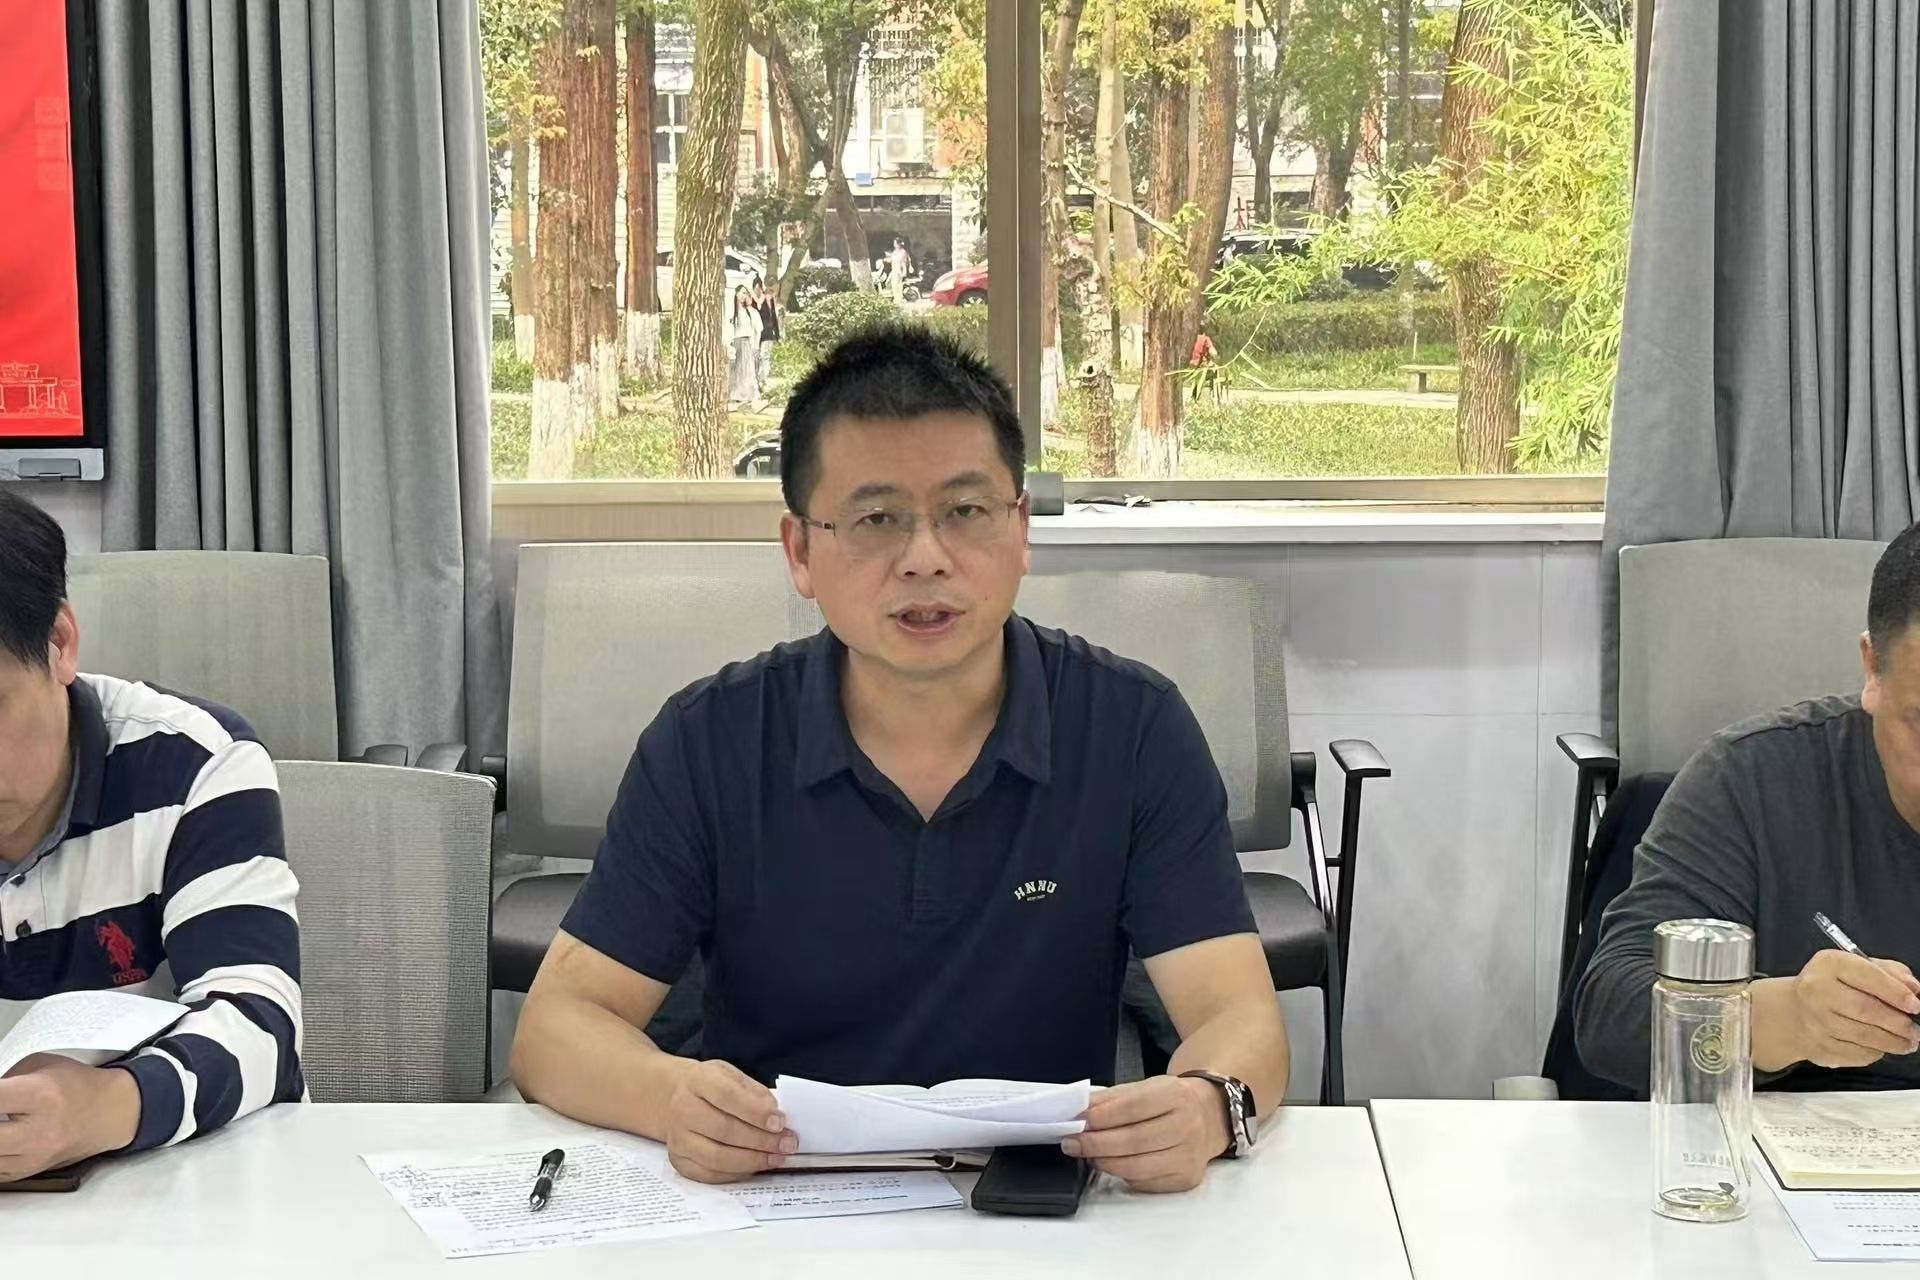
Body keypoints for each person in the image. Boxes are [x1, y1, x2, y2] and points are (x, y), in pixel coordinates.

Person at [513, 326, 1287, 1193]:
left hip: (1032, 1201)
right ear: (800, 552)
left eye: (967, 512)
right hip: (774, 1196)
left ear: (1021, 530)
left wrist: (1208, 1105)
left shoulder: (1132, 727)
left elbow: (1239, 1016)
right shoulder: (709, 740)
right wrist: (670, 1099)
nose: (926, 559)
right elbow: (556, 1029)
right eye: (876, 520)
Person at [0, 489, 303, 1182]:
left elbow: (259, 1024)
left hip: (191, 1178)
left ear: (59, 643)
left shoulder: (198, 764)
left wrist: (103, 1107)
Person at [1575, 524, 1920, 1094]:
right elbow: (1612, 1010)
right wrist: (1783, 1018)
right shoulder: (1754, 779)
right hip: (1781, 1141)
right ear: (1873, 668)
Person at [728, 284, 761, 405]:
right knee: (736, 369)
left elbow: (758, 329)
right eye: (742, 292)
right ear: (736, 294)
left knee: (747, 369)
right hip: (735, 342)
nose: (743, 295)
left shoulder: (750, 311)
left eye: (745, 293)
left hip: (746, 342)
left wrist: (755, 344)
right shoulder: (732, 311)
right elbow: (728, 327)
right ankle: (735, 394)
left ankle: (747, 394)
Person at [754, 276, 781, 389]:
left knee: (765, 356)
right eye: (755, 288)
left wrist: (777, 334)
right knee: (756, 357)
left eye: (759, 288)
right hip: (755, 333)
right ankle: (756, 380)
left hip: (767, 332)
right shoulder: (751, 300)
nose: (757, 290)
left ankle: (762, 379)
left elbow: (773, 316)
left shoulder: (768, 300)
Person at [888, 237, 912, 306]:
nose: (894, 244)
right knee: (893, 285)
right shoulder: (895, 252)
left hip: (899, 270)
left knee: (898, 285)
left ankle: (898, 299)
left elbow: (904, 262)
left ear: (898, 244)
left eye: (895, 243)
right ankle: (896, 298)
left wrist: (904, 271)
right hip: (894, 270)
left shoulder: (902, 252)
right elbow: (892, 260)